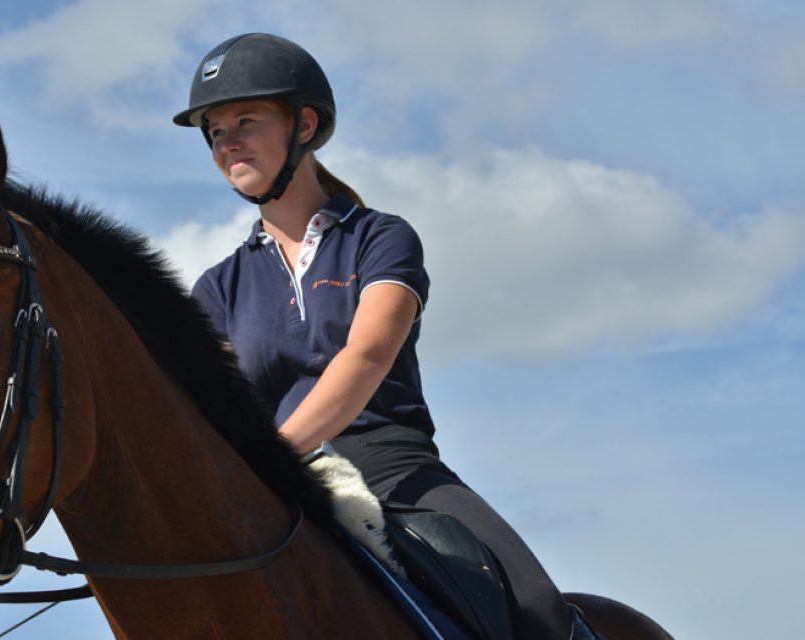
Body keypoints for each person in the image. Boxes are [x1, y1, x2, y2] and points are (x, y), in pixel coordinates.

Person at [175, 33, 598, 640]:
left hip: (394, 467)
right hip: (284, 480)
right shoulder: (217, 288)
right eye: (215, 131)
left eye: (245, 120)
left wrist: (276, 455)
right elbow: (216, 409)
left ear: (305, 124)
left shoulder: (382, 238)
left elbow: (368, 354)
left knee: (538, 609)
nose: (227, 142)